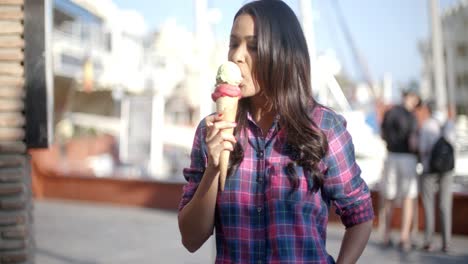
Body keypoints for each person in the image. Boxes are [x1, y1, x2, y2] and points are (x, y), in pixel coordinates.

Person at [178, 1, 374, 263]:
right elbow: (191, 239)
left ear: (283, 53)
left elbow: (359, 214)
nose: (237, 55)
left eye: (253, 46)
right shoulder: (211, 130)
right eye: (233, 43)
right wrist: (213, 168)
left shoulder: (324, 127)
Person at [380, 88, 420, 251]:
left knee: (389, 198)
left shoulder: (389, 113)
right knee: (408, 198)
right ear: (412, 98)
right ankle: (404, 238)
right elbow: (413, 142)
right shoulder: (411, 116)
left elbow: (382, 134)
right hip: (407, 158)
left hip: (391, 156)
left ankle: (386, 235)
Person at [419, 100, 455, 253]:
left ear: (429, 110)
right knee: (445, 205)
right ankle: (446, 242)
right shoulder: (449, 124)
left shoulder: (427, 125)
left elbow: (422, 149)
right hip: (447, 170)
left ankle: (429, 241)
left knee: (429, 205)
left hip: (430, 169)